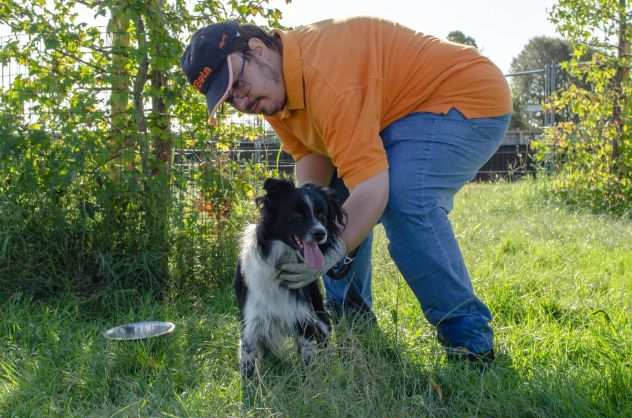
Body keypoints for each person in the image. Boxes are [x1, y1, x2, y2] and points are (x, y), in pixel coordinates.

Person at [181, 17, 512, 363]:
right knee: (329, 201)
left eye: (237, 82)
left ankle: (470, 345)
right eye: (228, 97)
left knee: (403, 198)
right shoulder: (272, 92)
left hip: (465, 97)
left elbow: (371, 187)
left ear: (257, 48)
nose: (242, 100)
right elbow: (313, 157)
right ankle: (355, 327)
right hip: (396, 116)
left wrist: (328, 254)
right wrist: (303, 219)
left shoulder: (326, 77)